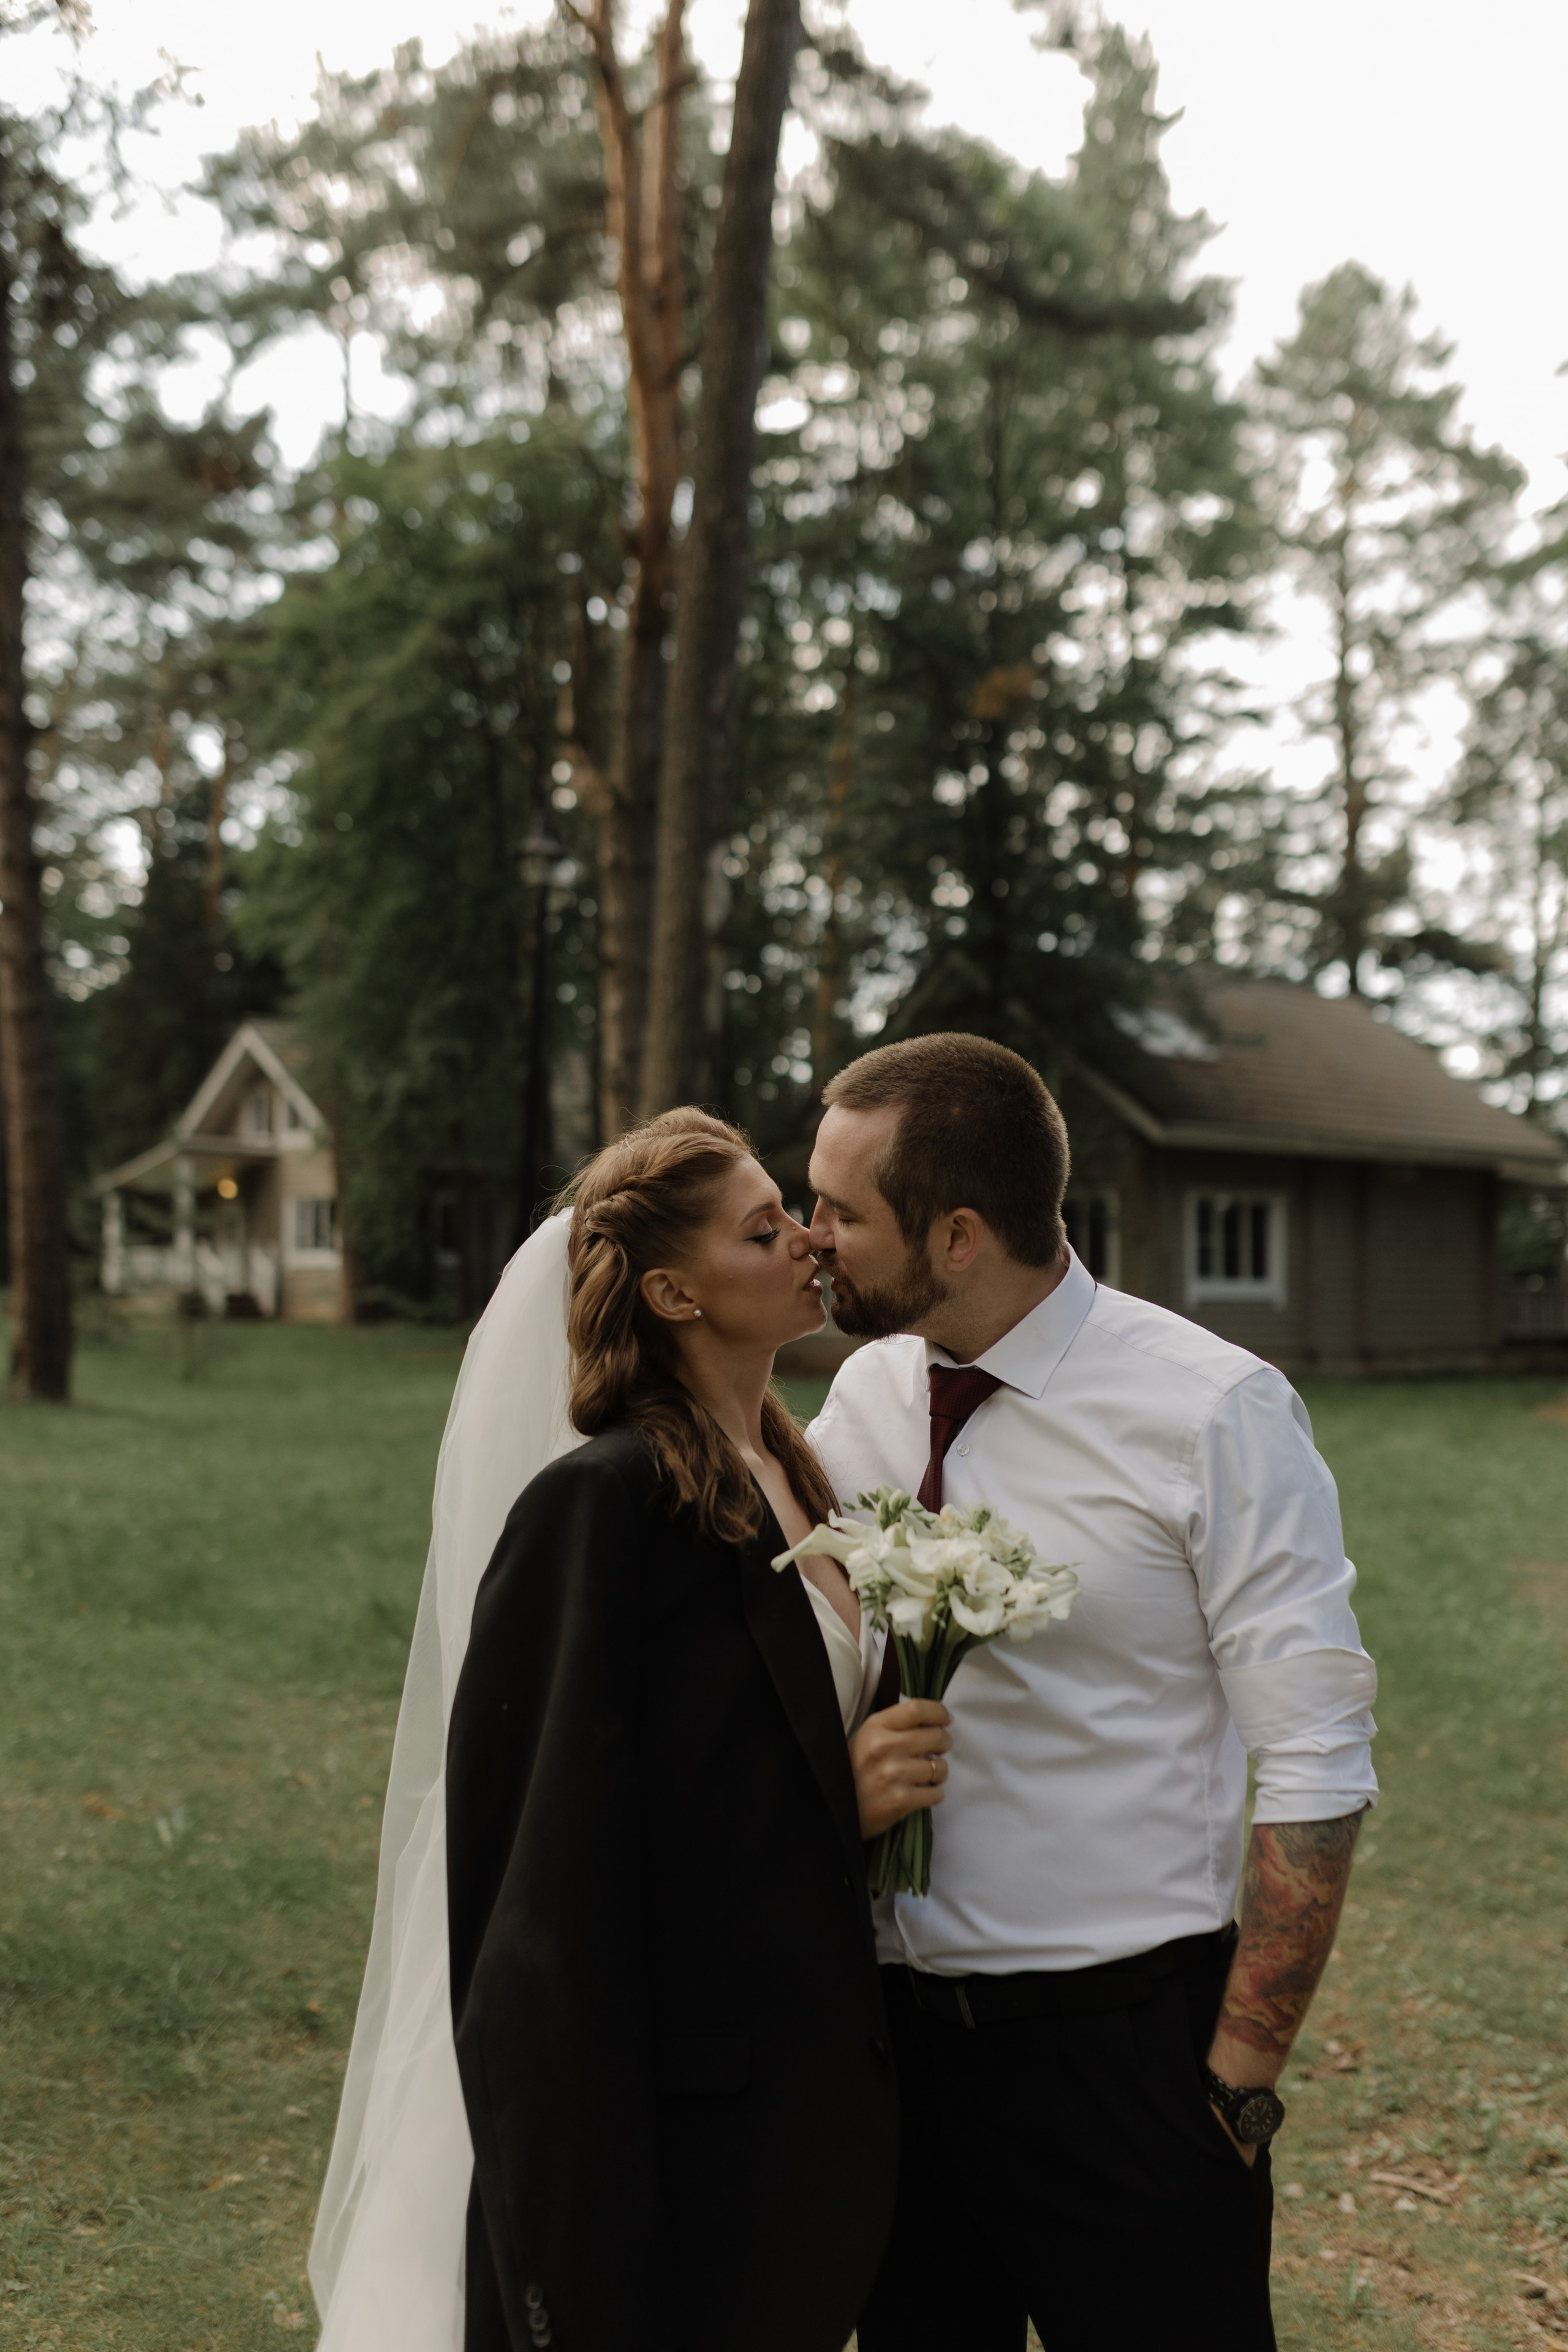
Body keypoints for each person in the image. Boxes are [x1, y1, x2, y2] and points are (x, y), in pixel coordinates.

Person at [311, 1107, 948, 2352]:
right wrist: (838, 1799)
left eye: (797, 1214)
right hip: (676, 2132)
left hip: (800, 2103)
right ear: (670, 1292)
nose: (810, 1241)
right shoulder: (601, 1508)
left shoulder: (792, 1470)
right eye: (762, 1231)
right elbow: (552, 1883)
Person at [807, 1033, 1378, 2352]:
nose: (810, 1234)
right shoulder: (867, 1389)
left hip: (1120, 2062)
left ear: (956, 1236)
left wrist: (1233, 2089)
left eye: (839, 1211)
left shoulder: (1211, 1413)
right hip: (894, 2057)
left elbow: (1313, 1759)